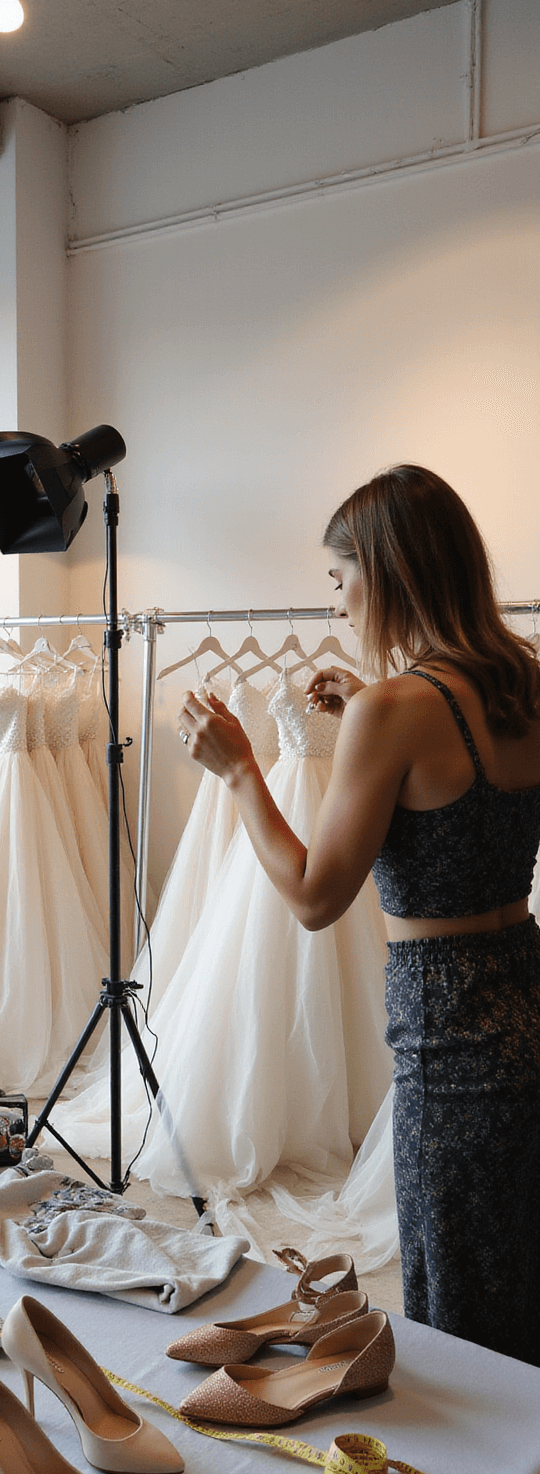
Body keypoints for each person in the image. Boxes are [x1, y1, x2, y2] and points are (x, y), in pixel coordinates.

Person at [178, 465, 540, 1366]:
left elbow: (312, 897)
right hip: (526, 996)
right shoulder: (525, 684)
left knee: (457, 1303)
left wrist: (238, 774)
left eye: (340, 578)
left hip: (449, 1034)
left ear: (385, 572)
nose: (337, 600)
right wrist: (369, 715)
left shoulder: (396, 709)